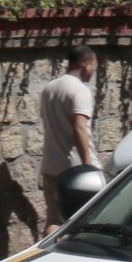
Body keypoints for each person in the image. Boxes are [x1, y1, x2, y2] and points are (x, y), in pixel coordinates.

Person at [39, 47, 101, 219]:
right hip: (75, 170)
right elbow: (79, 127)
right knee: (87, 220)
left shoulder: (49, 89)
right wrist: (88, 166)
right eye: (94, 65)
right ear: (86, 64)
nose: (94, 71)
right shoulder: (80, 90)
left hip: (51, 166)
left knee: (54, 220)